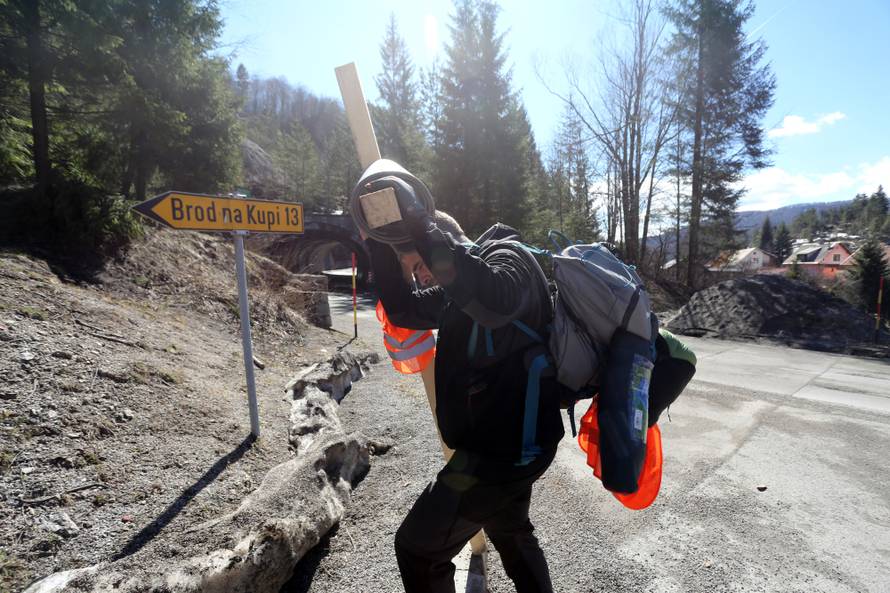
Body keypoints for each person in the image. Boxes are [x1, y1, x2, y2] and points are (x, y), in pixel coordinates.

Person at [365, 195, 563, 593]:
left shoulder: (509, 259)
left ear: (442, 239)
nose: (421, 278)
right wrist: (376, 238)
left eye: (420, 265)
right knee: (511, 531)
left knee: (418, 549)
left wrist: (420, 224)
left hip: (504, 453)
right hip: (508, 445)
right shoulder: (458, 289)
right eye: (415, 272)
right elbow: (403, 310)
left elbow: (494, 302)